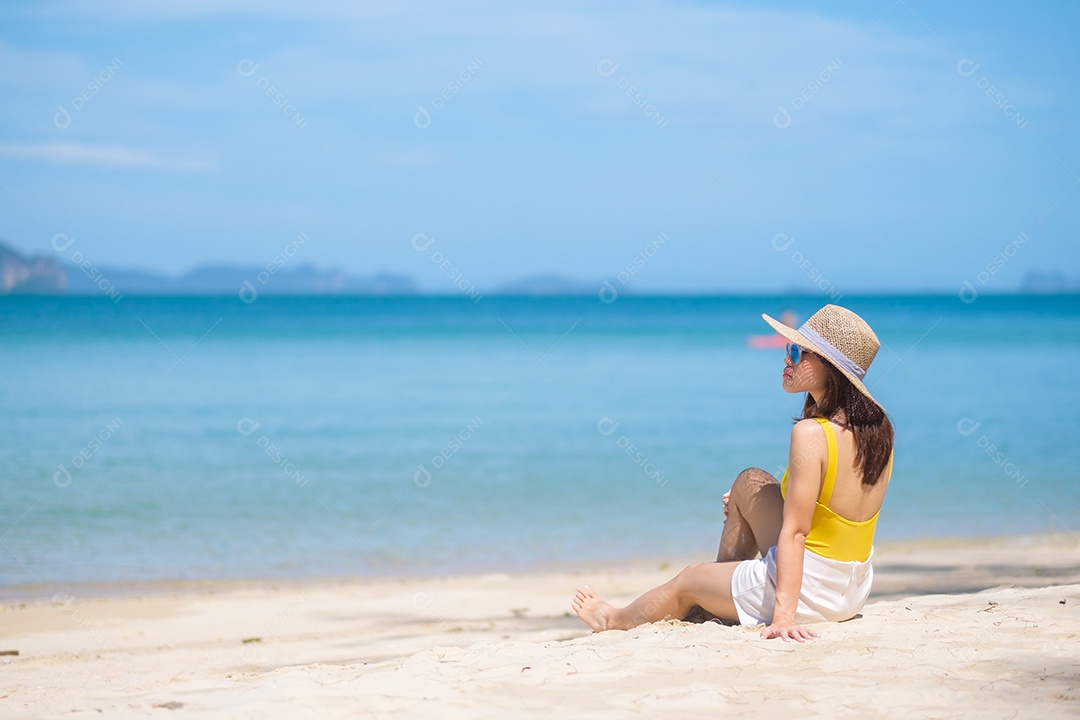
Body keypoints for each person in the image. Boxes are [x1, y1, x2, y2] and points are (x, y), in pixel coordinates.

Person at [572, 304, 894, 641]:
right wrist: (745, 505)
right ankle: (716, 597)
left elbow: (797, 532)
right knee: (749, 482)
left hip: (809, 591)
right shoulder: (878, 429)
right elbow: (832, 512)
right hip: (851, 589)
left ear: (829, 368)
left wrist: (784, 616)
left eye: (797, 352)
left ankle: (613, 618)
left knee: (688, 578)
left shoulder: (811, 434)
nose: (787, 359)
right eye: (788, 349)